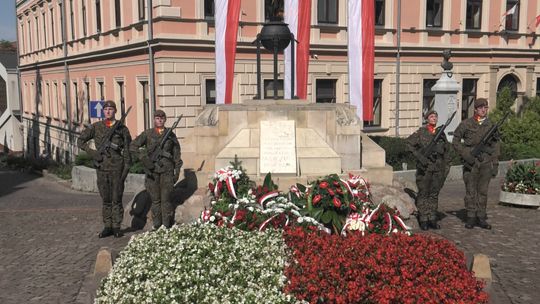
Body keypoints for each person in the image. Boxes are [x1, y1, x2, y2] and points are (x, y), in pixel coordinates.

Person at [77, 101, 132, 238]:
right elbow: (80, 141)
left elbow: (128, 150)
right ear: (103, 112)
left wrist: (126, 169)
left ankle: (117, 227)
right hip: (102, 168)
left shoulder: (122, 129)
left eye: (111, 109)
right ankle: (107, 226)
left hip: (117, 169)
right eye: (106, 109)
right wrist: (92, 152)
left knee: (116, 198)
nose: (108, 111)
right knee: (106, 199)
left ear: (115, 111)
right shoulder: (96, 127)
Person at [130, 110, 182, 229]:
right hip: (152, 172)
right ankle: (157, 225)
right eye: (157, 118)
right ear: (154, 119)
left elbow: (177, 155)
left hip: (167, 172)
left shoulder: (170, 135)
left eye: (162, 118)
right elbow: (133, 146)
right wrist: (144, 158)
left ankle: (166, 225)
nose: (159, 120)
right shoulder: (147, 134)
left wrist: (177, 172)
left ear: (165, 119)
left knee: (166, 200)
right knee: (155, 201)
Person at [452, 98, 500, 230]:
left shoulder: (491, 125)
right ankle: (471, 216)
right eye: (480, 107)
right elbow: (455, 140)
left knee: (483, 191)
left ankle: (481, 217)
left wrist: (495, 164)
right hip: (471, 162)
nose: (483, 110)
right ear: (475, 109)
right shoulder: (466, 124)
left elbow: (496, 146)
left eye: (485, 107)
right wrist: (465, 154)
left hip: (485, 162)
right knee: (471, 191)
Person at [406, 110, 452, 231]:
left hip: (437, 168)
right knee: (423, 193)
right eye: (431, 116)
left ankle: (432, 217)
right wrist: (420, 157)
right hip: (425, 169)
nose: (434, 118)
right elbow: (408, 144)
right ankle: (423, 218)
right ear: (427, 119)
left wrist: (446, 166)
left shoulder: (440, 133)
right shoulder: (421, 132)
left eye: (435, 116)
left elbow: (447, 150)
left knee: (434, 194)